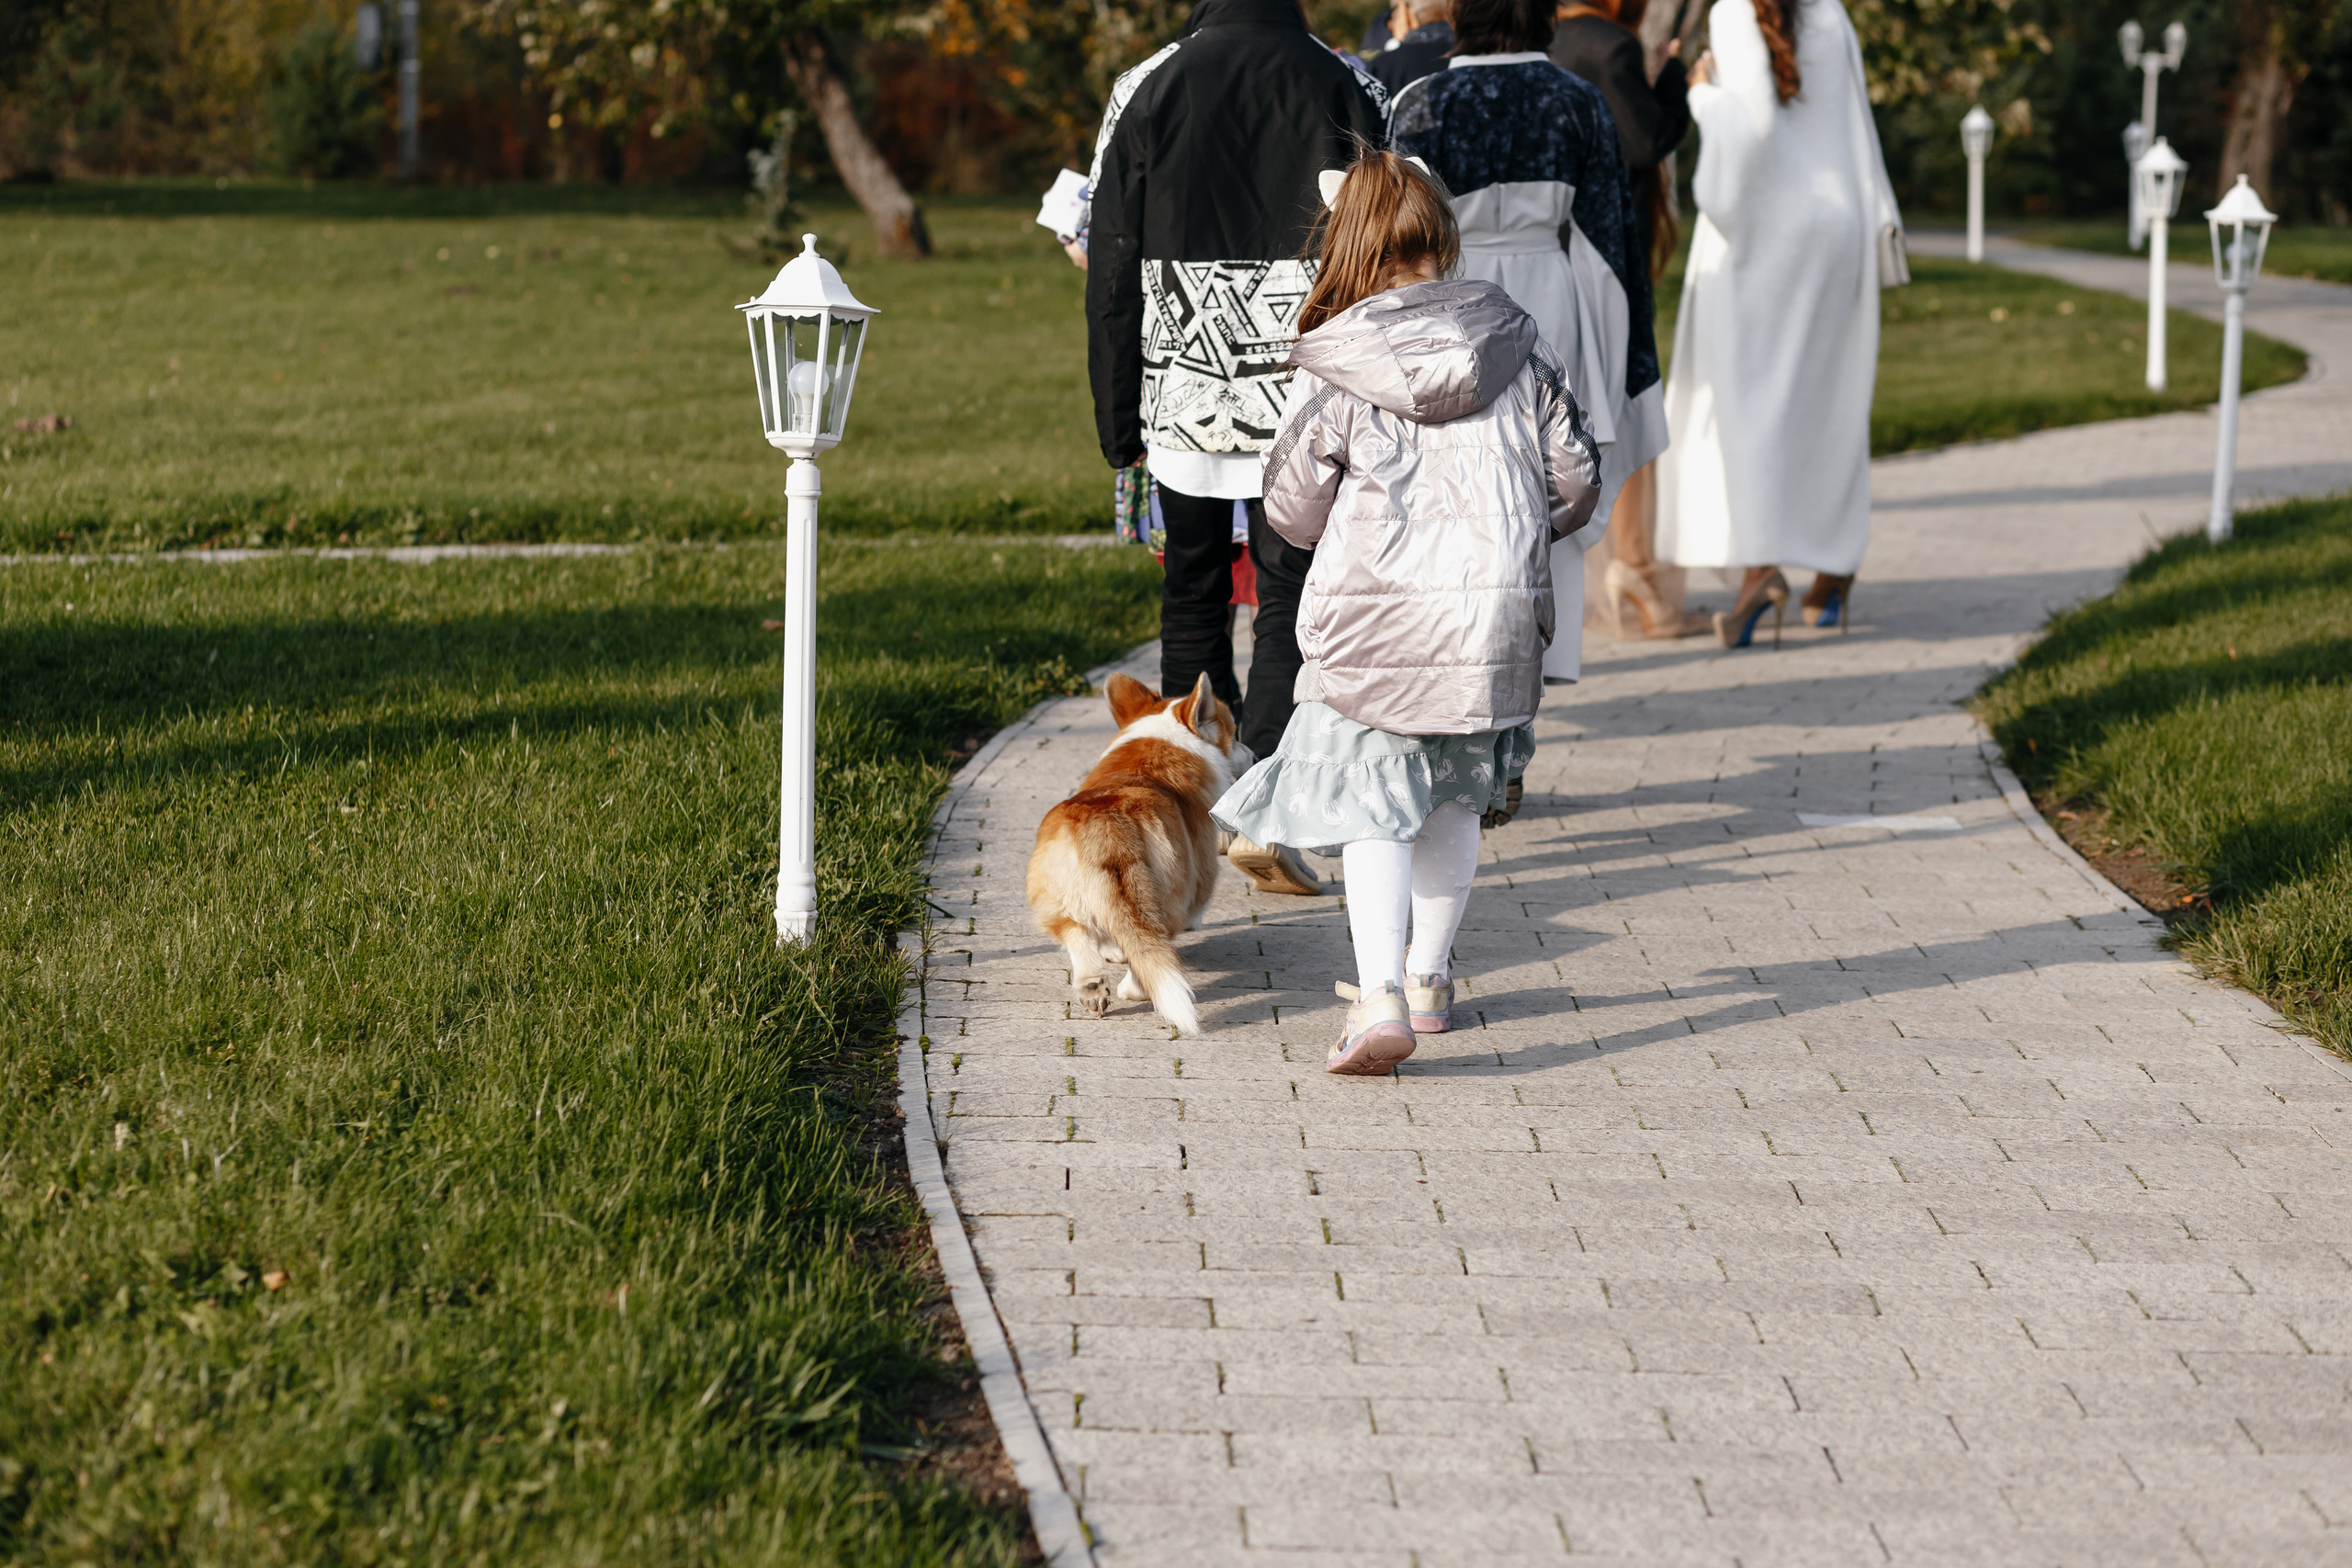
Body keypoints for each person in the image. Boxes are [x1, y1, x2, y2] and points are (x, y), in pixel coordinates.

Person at [1214, 152, 1602, 1074]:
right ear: (1442, 240)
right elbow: (1577, 480)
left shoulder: (1340, 361)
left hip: (1374, 628)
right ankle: (1428, 979)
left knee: (1373, 806)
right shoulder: (1514, 339)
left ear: (1347, 247)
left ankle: (1377, 994)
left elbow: (1291, 512)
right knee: (1454, 797)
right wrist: (1504, 542)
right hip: (1488, 629)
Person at [1086, 0, 1389, 897]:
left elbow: (1111, 261)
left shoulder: (1145, 86)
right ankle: (1265, 800)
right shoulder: (1348, 82)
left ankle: (1184, 803)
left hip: (1184, 374)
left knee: (1192, 589)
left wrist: (1117, 420)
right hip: (1304, 376)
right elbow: (1382, 241)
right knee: (1288, 596)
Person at [1388, 0, 1663, 688]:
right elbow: (1610, 243)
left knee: (1454, 493)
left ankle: (1462, 681)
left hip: (1452, 299)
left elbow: (1392, 241)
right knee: (1543, 488)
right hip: (1550, 300)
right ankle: (1527, 686)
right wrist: (1620, 368)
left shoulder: (1421, 102)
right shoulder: (1576, 100)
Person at [1655, 0, 1902, 645]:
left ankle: (1760, 571)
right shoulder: (1829, 11)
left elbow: (1752, 129)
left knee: (1750, 402)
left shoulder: (1736, 10)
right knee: (1830, 399)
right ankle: (1833, 567)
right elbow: (1857, 125)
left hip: (1769, 233)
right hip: (1836, 224)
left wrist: (1702, 95)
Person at [1549, 0, 1707, 639]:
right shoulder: (1610, 47)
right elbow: (1645, 140)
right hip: (1613, 251)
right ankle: (1636, 567)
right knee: (1631, 402)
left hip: (1559, 246)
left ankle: (1613, 569)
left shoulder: (1551, 39)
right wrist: (1672, 77)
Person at [1370, 0, 1455, 96]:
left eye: (1395, 11)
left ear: (1407, 13)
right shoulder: (1471, 54)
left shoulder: (1384, 66)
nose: (1390, 25)